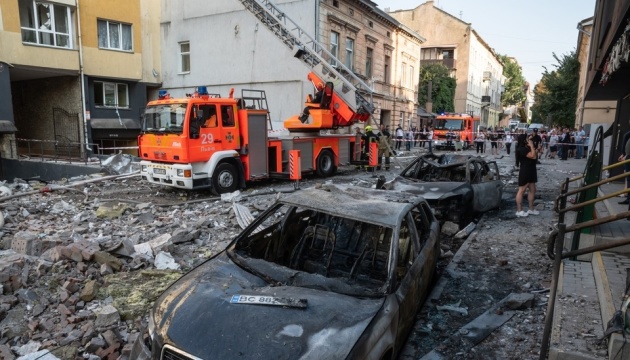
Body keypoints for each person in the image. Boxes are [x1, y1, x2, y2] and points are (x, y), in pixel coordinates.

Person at [515, 133, 539, 217]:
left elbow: (535, 155)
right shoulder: (522, 149)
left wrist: (536, 148)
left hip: (531, 170)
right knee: (522, 190)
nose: (529, 140)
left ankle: (531, 208)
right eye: (528, 139)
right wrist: (532, 146)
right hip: (526, 170)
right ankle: (519, 210)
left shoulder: (526, 148)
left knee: (533, 190)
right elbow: (533, 156)